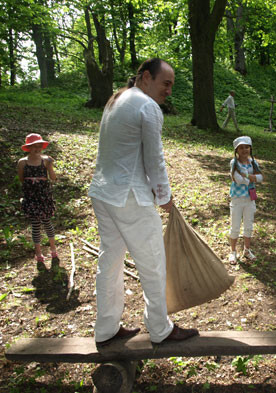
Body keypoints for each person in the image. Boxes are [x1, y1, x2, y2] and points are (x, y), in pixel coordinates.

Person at [88, 58, 198, 346]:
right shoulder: (146, 106)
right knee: (152, 263)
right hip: (129, 197)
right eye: (166, 84)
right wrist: (165, 197)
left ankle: (106, 328)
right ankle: (160, 328)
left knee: (109, 261)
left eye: (171, 85)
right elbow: (154, 159)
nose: (169, 91)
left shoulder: (118, 99)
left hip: (103, 192)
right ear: (146, 77)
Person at [17, 133, 59, 265]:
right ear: (28, 147)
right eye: (34, 146)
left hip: (44, 197)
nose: (37, 149)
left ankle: (53, 250)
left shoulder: (45, 160)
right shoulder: (22, 162)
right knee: (35, 226)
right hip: (31, 198)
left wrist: (50, 165)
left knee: (47, 222)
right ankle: (38, 253)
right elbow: (21, 179)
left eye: (39, 146)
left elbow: (53, 178)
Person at [228, 136, 263, 264]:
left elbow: (260, 178)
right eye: (241, 147)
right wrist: (251, 179)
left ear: (250, 149)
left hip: (250, 199)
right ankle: (233, 252)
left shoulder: (253, 163)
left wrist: (247, 176)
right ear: (236, 150)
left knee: (248, 225)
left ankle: (247, 250)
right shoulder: (234, 163)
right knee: (235, 226)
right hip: (237, 199)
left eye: (247, 147)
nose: (244, 150)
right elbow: (238, 179)